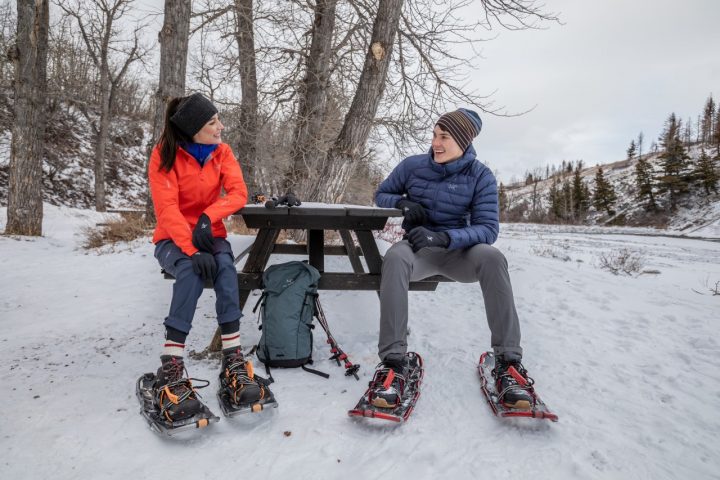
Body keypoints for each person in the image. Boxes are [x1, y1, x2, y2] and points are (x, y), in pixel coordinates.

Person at [370, 109, 534, 410]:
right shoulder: (413, 166)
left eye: (443, 136)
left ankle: (509, 364)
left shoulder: (480, 176)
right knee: (394, 257)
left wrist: (445, 238)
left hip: (461, 253)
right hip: (419, 251)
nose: (435, 143)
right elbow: (381, 194)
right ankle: (393, 364)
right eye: (434, 135)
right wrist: (403, 202)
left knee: (493, 258)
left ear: (462, 140)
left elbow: (488, 229)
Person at [147, 92, 271, 423]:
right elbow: (167, 210)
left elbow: (238, 193)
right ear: (193, 130)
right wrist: (190, 248)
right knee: (189, 271)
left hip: (211, 235)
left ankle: (232, 359)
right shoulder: (164, 156)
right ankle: (172, 365)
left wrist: (208, 216)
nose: (221, 126)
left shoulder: (222, 152)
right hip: (173, 239)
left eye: (218, 119)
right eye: (213, 122)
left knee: (226, 269)